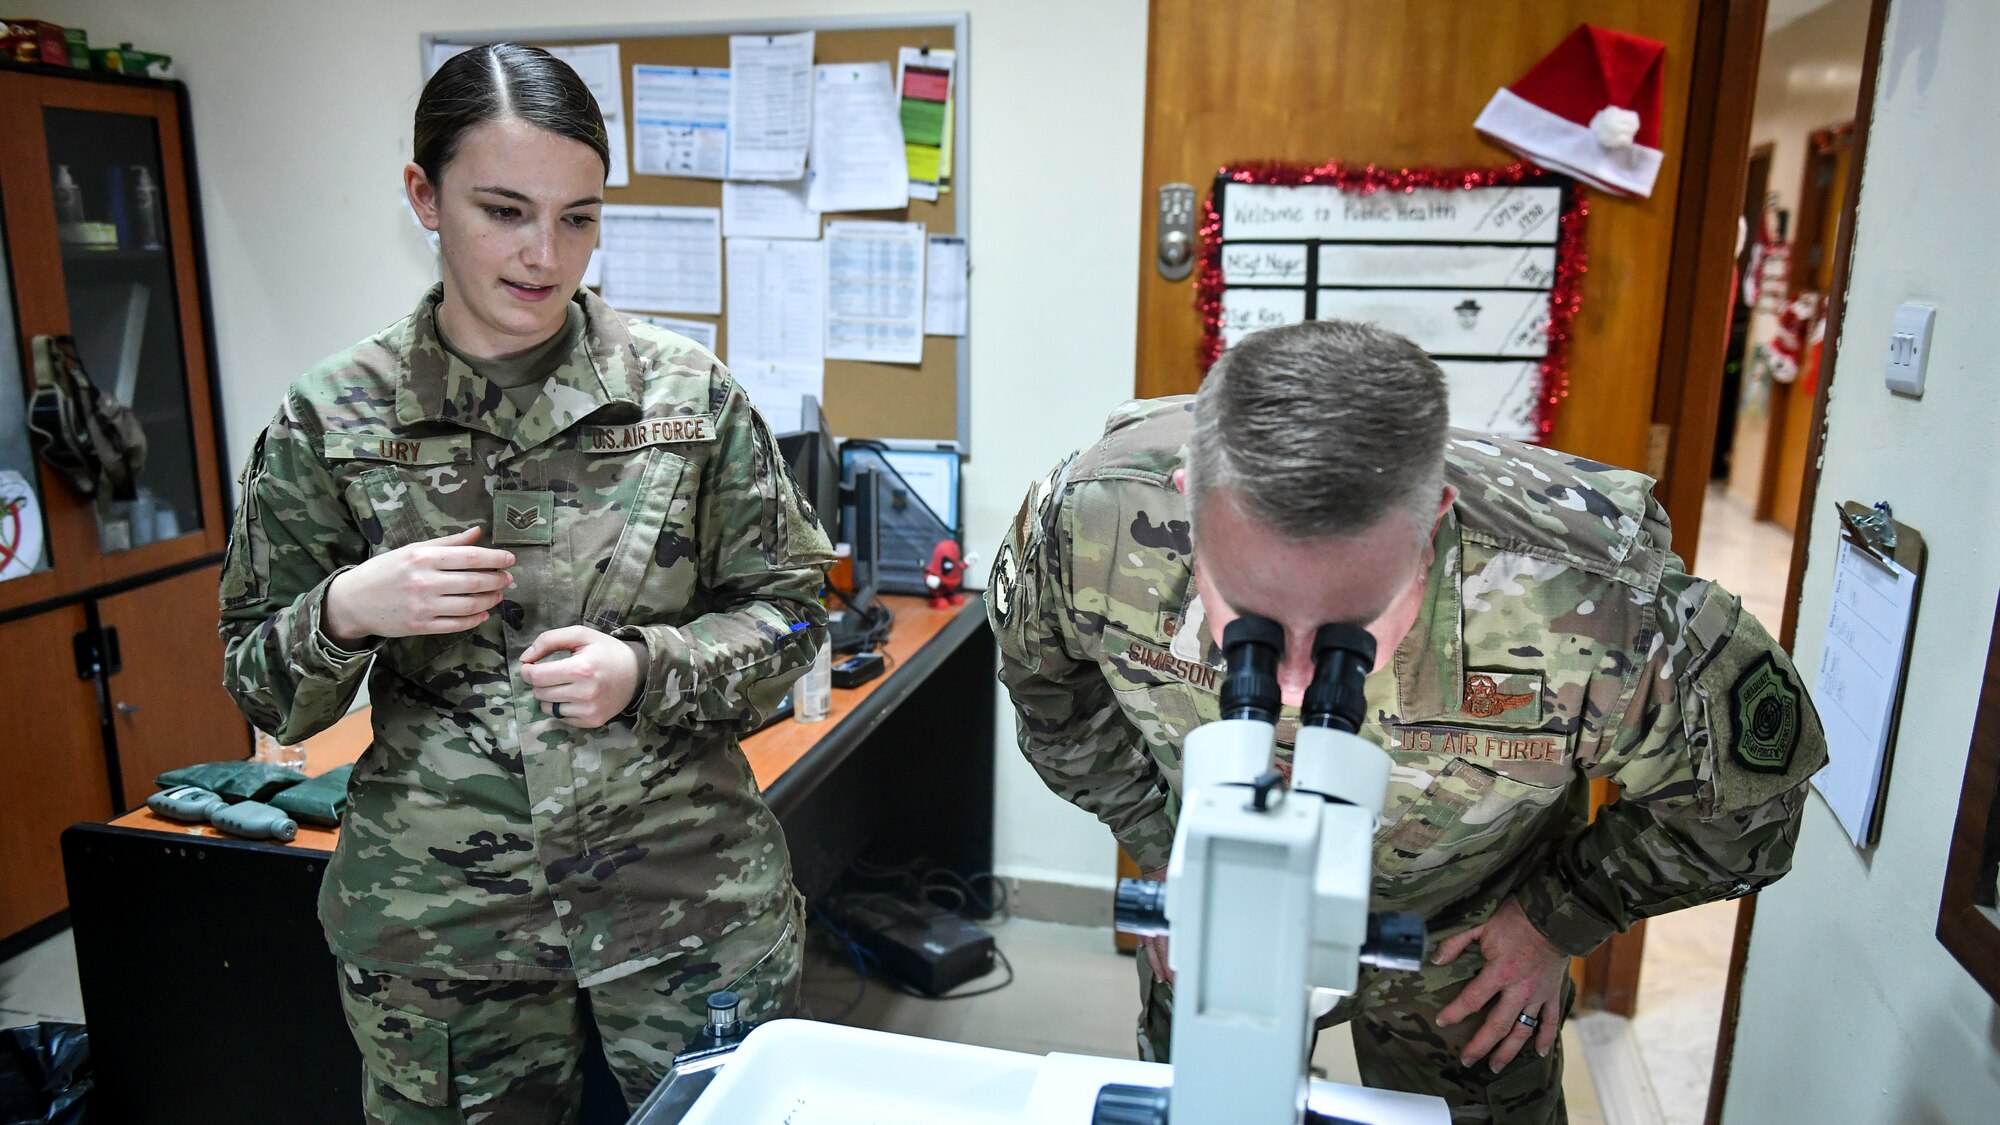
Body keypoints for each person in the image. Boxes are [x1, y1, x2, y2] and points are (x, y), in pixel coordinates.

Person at [989, 320, 1825, 1123]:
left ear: (1432, 528)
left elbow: (1751, 804)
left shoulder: (1595, 604)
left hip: (1469, 943)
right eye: (1250, 622)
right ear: (1188, 508)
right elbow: (1045, 684)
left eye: (1349, 632)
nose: (1289, 679)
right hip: (1223, 910)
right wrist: (1174, 846)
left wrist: (1561, 912)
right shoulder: (1097, 523)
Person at [217, 44, 833, 1123]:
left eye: (579, 218)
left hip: (684, 903)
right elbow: (264, 688)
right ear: (424, 194)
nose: (544, 255)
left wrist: (647, 667)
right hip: (445, 930)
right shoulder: (334, 416)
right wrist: (347, 609)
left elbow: (791, 611)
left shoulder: (685, 395)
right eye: (504, 210)